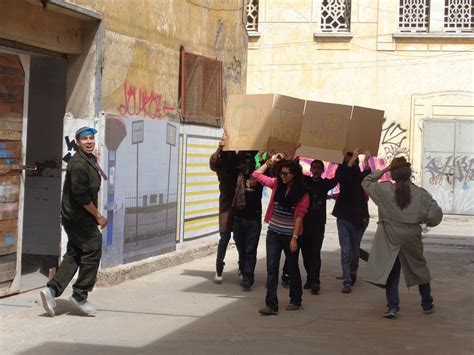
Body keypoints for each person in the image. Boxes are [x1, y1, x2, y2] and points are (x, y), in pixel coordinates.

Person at [361, 157, 443, 319]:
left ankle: (392, 307)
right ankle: (426, 304)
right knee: (419, 268)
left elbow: (366, 181)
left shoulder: (383, 191)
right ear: (409, 173)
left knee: (392, 270)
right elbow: (435, 216)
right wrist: (424, 221)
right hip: (411, 235)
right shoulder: (421, 194)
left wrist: (383, 170)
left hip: (389, 235)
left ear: (392, 174)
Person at [40, 126, 107, 317]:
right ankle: (80, 295)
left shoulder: (90, 160)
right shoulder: (78, 164)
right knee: (93, 247)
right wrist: (98, 216)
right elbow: (81, 196)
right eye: (84, 139)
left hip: (79, 217)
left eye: (91, 138)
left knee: (76, 252)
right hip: (79, 218)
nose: (89, 142)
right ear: (77, 142)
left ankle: (52, 291)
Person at [253, 155, 309, 315]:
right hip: (273, 233)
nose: (282, 176)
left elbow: (299, 217)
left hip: (289, 235)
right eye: (281, 173)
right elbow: (256, 176)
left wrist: (294, 238)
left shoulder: (302, 193)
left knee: (292, 268)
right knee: (272, 268)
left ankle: (296, 300)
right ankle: (271, 305)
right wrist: (268, 163)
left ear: (294, 175)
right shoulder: (277, 184)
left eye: (286, 174)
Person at [333, 148, 371, 294]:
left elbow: (367, 177)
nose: (352, 159)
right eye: (349, 157)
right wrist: (352, 158)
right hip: (343, 216)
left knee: (355, 249)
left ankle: (353, 271)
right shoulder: (342, 171)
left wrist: (366, 161)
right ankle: (347, 281)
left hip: (359, 217)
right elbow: (341, 177)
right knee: (346, 250)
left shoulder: (358, 174)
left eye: (353, 157)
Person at [301, 159, 337, 294]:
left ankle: (315, 281)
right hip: (304, 224)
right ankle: (310, 277)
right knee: (305, 253)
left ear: (322, 170)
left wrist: (341, 160)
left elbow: (338, 177)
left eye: (318, 168)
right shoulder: (305, 182)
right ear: (310, 170)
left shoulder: (325, 184)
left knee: (315, 253)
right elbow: (294, 172)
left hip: (318, 224)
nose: (316, 170)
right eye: (314, 168)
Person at [209, 134, 239, 283]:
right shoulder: (222, 166)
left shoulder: (239, 165)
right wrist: (219, 148)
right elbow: (213, 162)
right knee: (225, 237)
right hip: (227, 205)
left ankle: (242, 267)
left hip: (239, 205)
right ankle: (219, 269)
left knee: (239, 239)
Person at [232, 152, 263, 291]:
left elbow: (266, 172)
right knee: (241, 248)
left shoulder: (258, 178)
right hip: (238, 218)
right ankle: (243, 268)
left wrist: (262, 158)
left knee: (251, 249)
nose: (247, 164)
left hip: (253, 219)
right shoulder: (236, 177)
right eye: (245, 161)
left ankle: (248, 276)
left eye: (249, 161)